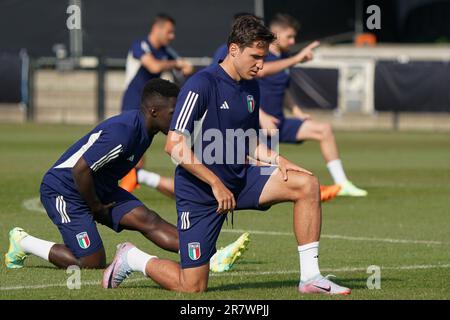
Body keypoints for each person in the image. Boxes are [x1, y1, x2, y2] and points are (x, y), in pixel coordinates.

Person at [103, 15, 351, 295]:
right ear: (234, 50)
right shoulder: (201, 84)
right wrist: (215, 184)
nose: (261, 64)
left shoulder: (250, 86)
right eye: (256, 56)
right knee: (192, 286)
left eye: (264, 57)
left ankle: (310, 278)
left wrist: (278, 160)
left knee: (307, 183)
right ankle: (133, 258)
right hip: (200, 193)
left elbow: (250, 142)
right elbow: (174, 145)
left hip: (240, 179)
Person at [4, 79, 248, 272]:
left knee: (149, 220)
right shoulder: (123, 132)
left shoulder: (147, 130)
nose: (179, 118)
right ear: (154, 111)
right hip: (64, 190)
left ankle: (211, 256)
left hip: (99, 187)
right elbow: (81, 169)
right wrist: (96, 207)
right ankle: (22, 242)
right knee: (91, 260)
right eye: (174, 112)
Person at [214, 14, 367, 197]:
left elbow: (284, 89)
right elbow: (256, 80)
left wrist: (297, 110)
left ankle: (342, 184)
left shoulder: (283, 56)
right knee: (264, 170)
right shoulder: (260, 55)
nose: (293, 41)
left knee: (323, 130)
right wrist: (262, 115)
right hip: (262, 124)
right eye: (289, 36)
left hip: (279, 120)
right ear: (276, 34)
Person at [120, 13, 193, 196]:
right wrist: (177, 63)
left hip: (155, 110)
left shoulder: (167, 52)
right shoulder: (141, 45)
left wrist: (185, 68)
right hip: (134, 106)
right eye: (169, 32)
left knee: (141, 152)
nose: (172, 36)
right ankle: (118, 192)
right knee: (133, 153)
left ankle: (125, 190)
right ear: (157, 29)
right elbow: (153, 66)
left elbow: (184, 70)